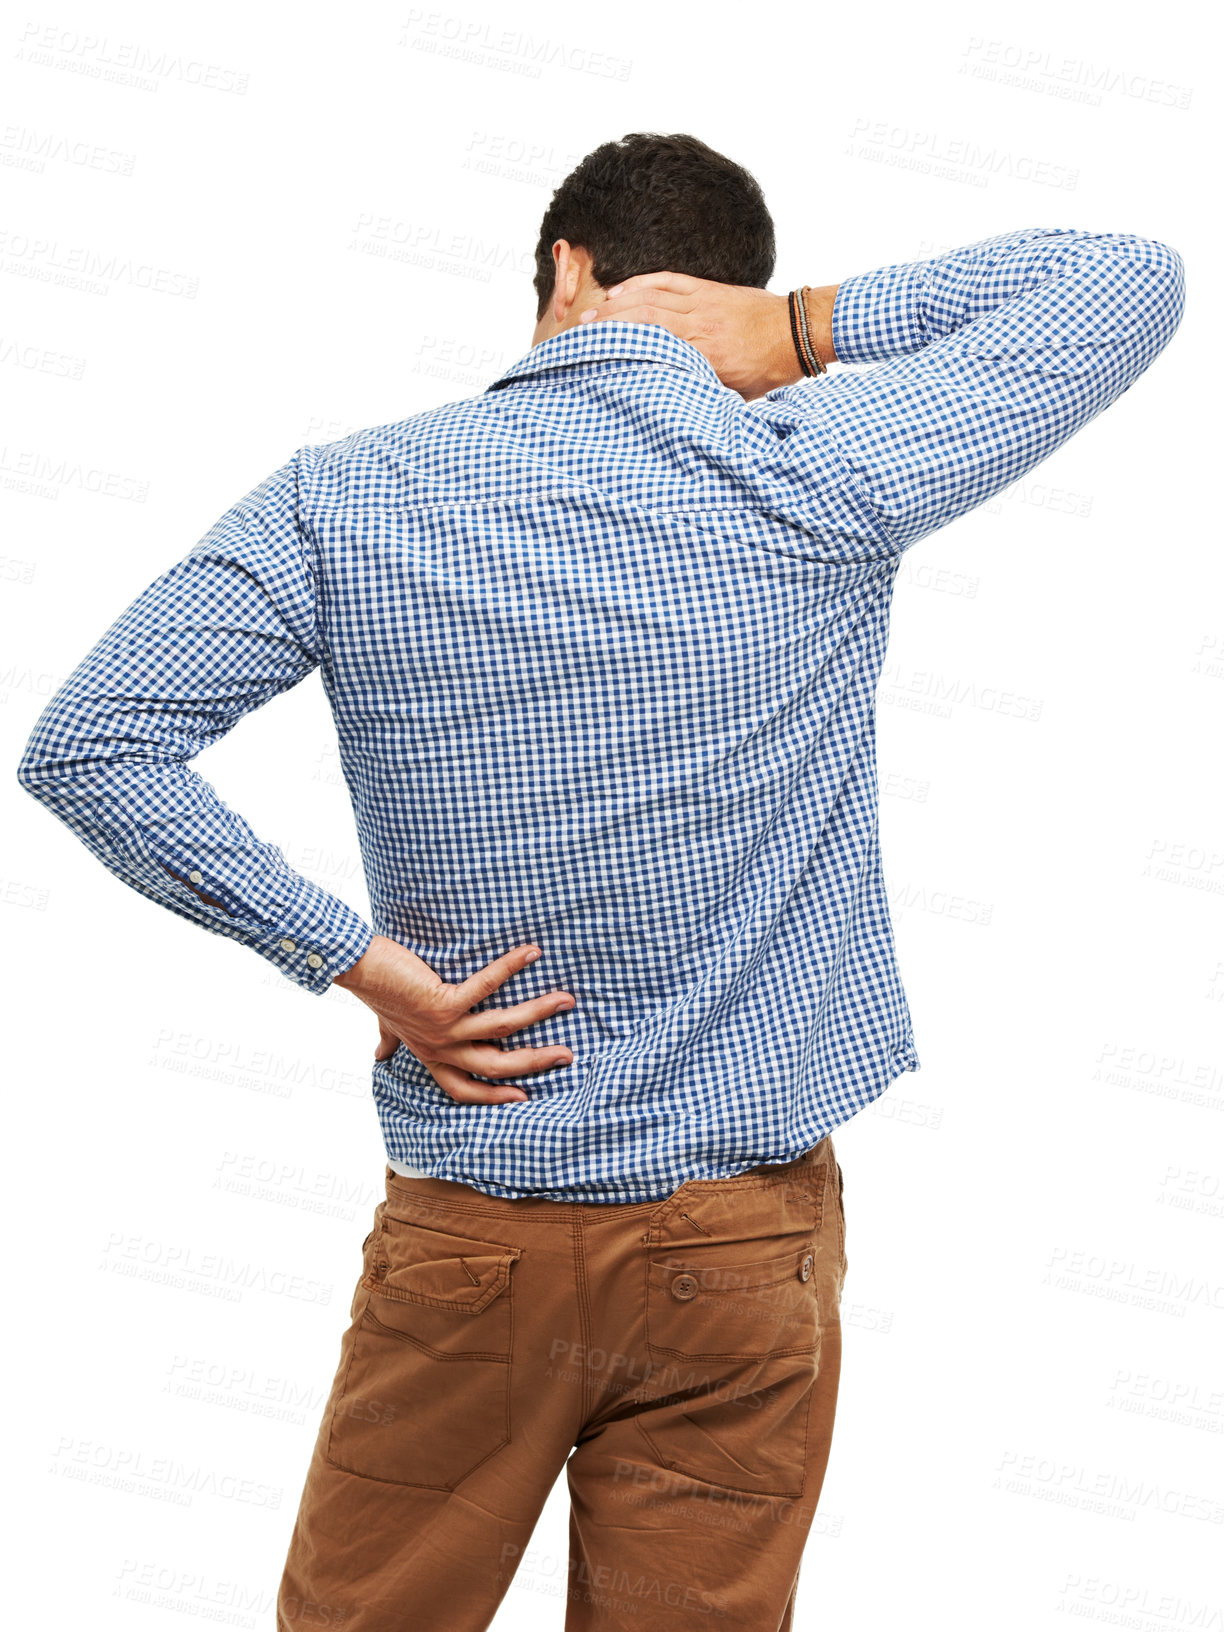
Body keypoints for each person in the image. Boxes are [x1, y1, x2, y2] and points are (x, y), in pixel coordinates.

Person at [16, 132, 1185, 1630]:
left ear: (564, 268)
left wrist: (361, 965)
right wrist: (808, 328)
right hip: (743, 1243)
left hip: (478, 1230)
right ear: (733, 302)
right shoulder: (820, 473)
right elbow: (1121, 282)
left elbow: (97, 744)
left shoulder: (347, 498)